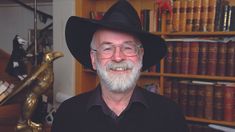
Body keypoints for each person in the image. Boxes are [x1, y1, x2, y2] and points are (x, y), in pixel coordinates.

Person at [52, 1, 189, 132]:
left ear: (140, 56)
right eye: (107, 48)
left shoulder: (170, 115)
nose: (118, 57)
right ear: (94, 59)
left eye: (128, 48)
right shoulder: (67, 115)